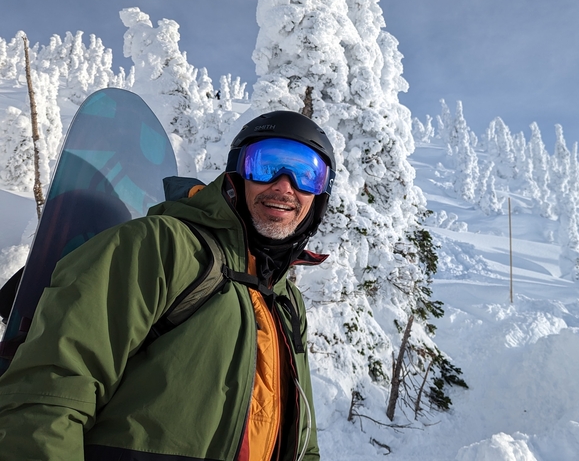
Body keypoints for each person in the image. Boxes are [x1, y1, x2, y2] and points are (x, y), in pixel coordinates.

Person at [0, 111, 335, 461]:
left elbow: (304, 444)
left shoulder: (286, 301)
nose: (284, 186)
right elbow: (49, 393)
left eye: (306, 174)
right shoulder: (162, 247)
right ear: (238, 172)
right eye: (265, 166)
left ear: (320, 194)